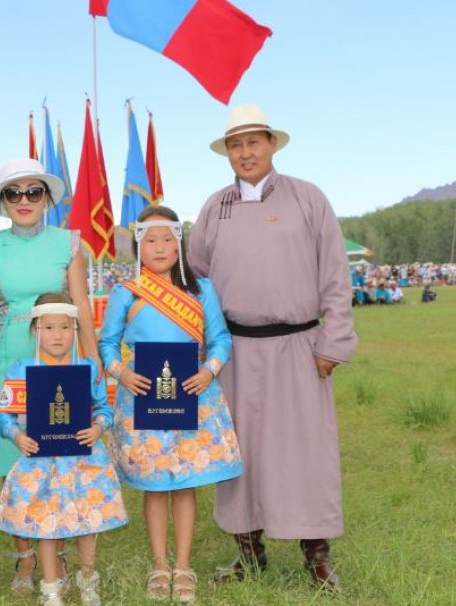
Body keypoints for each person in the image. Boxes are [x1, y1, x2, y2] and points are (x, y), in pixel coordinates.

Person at [189, 104, 358, 591]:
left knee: (306, 450)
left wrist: (333, 341)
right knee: (239, 452)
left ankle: (317, 556)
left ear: (272, 145)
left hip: (300, 346)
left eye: (253, 142)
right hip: (234, 351)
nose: (245, 153)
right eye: (235, 145)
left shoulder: (308, 198)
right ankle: (249, 553)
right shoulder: (214, 207)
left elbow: (334, 275)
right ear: (227, 153)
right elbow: (196, 277)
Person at [99, 206, 243, 602]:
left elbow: (221, 340)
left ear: (179, 244)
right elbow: (107, 343)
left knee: (185, 485)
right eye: (151, 240)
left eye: (167, 240)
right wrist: (122, 374)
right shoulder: (125, 293)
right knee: (154, 484)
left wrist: (210, 370)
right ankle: (159, 564)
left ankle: (183, 566)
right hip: (143, 396)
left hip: (194, 395)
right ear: (137, 246)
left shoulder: (203, 290)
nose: (160, 248)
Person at [0, 158, 102, 594]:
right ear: (3, 201)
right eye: (14, 192)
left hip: (61, 358)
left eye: (33, 192)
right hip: (7, 357)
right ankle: (25, 559)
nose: (24, 200)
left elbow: (82, 304)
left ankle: (59, 553)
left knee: (59, 457)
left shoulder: (69, 243)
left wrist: (95, 359)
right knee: (18, 463)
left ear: (47, 197)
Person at [0, 293, 128, 606]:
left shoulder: (88, 369)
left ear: (76, 330)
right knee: (46, 521)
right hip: (40, 460)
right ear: (35, 331)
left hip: (84, 459)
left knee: (87, 519)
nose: (57, 335)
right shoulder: (21, 369)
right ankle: (51, 586)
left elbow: (104, 409)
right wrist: (16, 436)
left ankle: (87, 578)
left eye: (65, 328)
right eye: (49, 328)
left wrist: (98, 428)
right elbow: (3, 414)